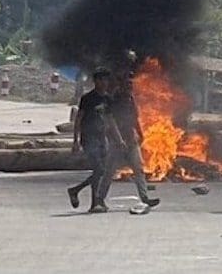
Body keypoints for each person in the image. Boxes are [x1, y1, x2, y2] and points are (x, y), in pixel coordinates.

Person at [97, 72, 160, 209]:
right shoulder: (113, 99)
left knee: (139, 169)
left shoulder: (130, 99)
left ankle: (144, 198)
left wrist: (140, 133)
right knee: (109, 171)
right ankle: (99, 199)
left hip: (131, 140)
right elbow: (111, 121)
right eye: (128, 83)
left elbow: (135, 118)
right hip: (117, 142)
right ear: (122, 84)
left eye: (132, 83)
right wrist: (119, 140)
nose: (131, 85)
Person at [67, 68, 126, 213]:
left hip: (101, 138)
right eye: (102, 80)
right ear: (96, 81)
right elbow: (78, 120)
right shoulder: (87, 99)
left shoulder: (107, 99)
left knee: (101, 171)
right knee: (99, 169)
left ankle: (85, 196)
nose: (105, 83)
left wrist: (119, 139)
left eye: (107, 80)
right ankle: (91, 200)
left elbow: (110, 120)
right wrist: (75, 141)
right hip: (89, 138)